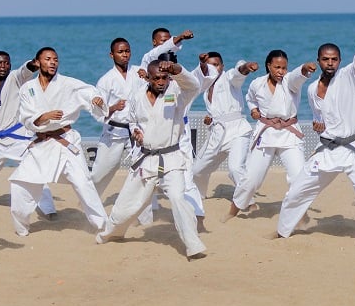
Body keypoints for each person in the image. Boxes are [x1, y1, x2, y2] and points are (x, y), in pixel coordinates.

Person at [276, 34, 355, 248]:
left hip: (353, 148)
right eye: (326, 59)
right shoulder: (312, 89)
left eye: (334, 59)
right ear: (319, 60)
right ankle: (282, 232)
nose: (330, 63)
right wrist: (317, 124)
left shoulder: (351, 75)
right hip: (327, 148)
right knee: (297, 191)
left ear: (339, 60)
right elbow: (319, 118)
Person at [97, 60, 207, 258]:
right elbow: (132, 120)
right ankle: (111, 233)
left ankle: (193, 245)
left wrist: (177, 70)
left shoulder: (178, 93)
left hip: (171, 158)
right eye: (156, 78)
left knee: (177, 198)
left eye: (165, 78)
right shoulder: (137, 96)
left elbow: (194, 85)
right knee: (126, 205)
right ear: (147, 78)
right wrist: (136, 132)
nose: (161, 82)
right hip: (146, 159)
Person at [9, 48, 109, 237]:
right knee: (21, 184)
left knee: (83, 182)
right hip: (41, 143)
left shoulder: (67, 83)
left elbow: (88, 91)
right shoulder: (27, 88)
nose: (53, 62)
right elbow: (25, 117)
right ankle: (21, 227)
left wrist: (97, 100)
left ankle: (102, 225)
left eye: (55, 59)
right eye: (48, 59)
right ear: (38, 63)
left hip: (65, 141)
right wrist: (43, 117)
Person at [225, 50, 317, 219]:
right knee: (251, 179)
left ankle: (300, 216)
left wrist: (305, 68)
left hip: (289, 134)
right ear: (269, 66)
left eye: (284, 68)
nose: (281, 71)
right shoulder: (257, 84)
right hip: (265, 133)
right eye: (277, 67)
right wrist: (253, 109)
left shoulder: (290, 82)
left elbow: (298, 75)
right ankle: (233, 211)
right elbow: (250, 98)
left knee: (298, 176)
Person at [0, 51, 56, 217]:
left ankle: (48, 209)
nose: (3, 66)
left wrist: (33, 64)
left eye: (6, 63)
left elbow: (25, 70)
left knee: (34, 169)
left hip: (18, 137)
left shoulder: (15, 78)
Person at [189, 52, 258, 202]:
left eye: (216, 64)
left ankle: (247, 202)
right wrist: (211, 118)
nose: (213, 68)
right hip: (217, 134)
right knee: (197, 171)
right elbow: (216, 110)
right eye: (209, 65)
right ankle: (200, 197)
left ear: (222, 66)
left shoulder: (229, 78)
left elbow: (238, 73)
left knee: (235, 169)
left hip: (237, 131)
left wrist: (246, 67)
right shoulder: (205, 86)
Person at [89, 39, 142, 195]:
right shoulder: (106, 80)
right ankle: (89, 201)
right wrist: (113, 107)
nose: (124, 55)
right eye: (120, 52)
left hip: (135, 130)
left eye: (127, 51)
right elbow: (96, 110)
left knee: (143, 171)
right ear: (111, 55)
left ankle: (147, 213)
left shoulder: (139, 72)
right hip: (114, 132)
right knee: (101, 172)